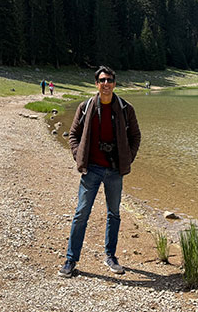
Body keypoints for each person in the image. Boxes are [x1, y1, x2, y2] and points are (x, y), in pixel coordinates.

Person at [58, 66, 141, 278]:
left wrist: (127, 159)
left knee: (114, 214)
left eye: (110, 80)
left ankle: (110, 257)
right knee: (81, 213)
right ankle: (70, 260)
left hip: (114, 171)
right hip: (91, 169)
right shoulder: (86, 107)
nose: (106, 84)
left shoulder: (125, 108)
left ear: (114, 83)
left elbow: (136, 137)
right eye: (102, 80)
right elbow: (73, 135)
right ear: (96, 84)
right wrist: (79, 156)